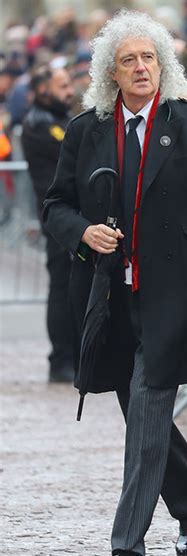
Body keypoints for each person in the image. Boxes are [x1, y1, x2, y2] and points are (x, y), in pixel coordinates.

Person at [43, 10, 187, 556]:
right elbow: (55, 205)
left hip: (175, 293)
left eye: (150, 58)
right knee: (142, 412)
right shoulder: (88, 128)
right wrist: (82, 232)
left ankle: (127, 540)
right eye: (129, 59)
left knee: (151, 398)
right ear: (111, 71)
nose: (141, 68)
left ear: (164, 65)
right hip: (108, 296)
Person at [21, 65, 75, 383]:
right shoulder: (40, 124)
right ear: (44, 90)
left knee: (75, 286)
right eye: (63, 85)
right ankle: (61, 358)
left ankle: (77, 355)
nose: (70, 91)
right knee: (63, 287)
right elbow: (72, 150)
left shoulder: (57, 118)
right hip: (57, 217)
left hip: (69, 215)